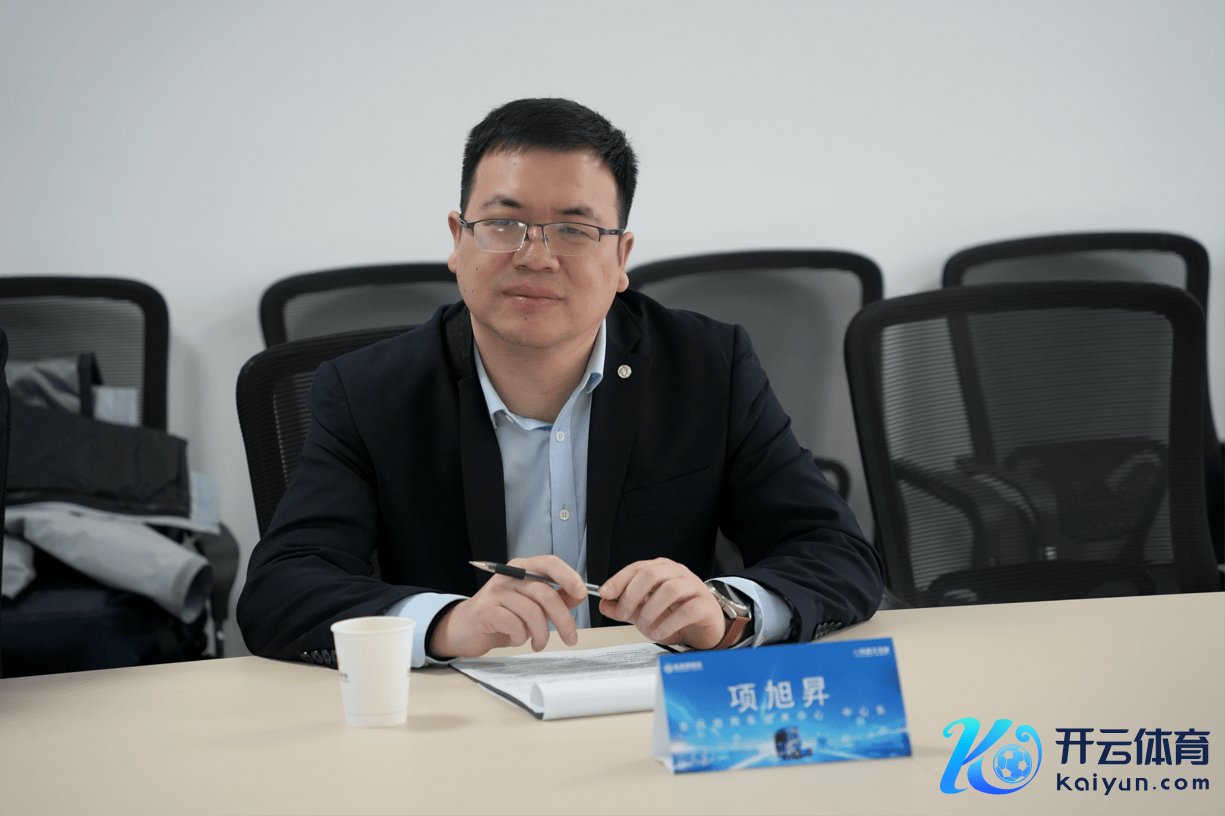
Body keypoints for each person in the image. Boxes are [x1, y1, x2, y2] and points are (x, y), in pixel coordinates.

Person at [237, 98, 882, 668]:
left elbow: (835, 552)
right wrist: (448, 624)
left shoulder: (709, 366)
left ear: (621, 258)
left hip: (652, 706)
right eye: (504, 224)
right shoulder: (369, 391)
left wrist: (728, 611)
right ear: (458, 241)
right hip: (455, 718)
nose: (536, 256)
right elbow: (281, 590)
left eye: (575, 230)